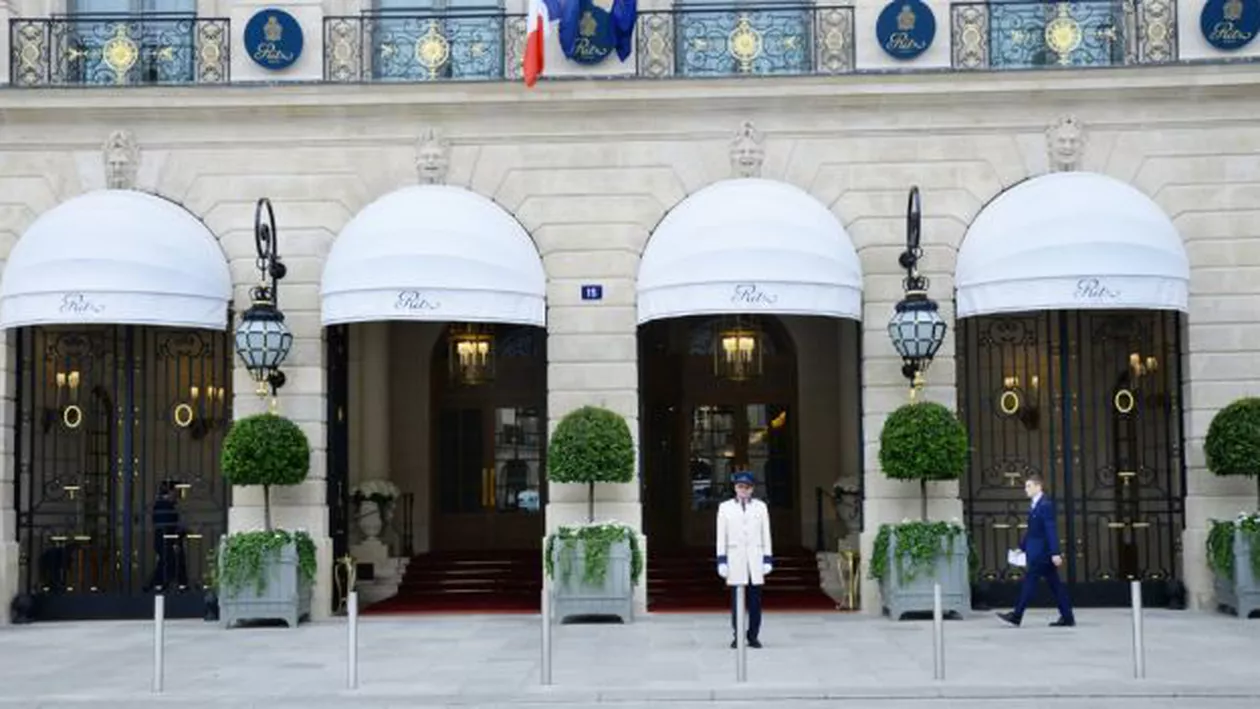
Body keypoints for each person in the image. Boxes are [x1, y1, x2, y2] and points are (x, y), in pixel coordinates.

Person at [998, 473, 1075, 627]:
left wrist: (1055, 552)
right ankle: (1067, 616)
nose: (1026, 489)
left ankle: (1017, 615)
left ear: (1038, 487)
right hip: (1040, 553)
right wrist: (1021, 548)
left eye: (1029, 486)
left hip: (1042, 554)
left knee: (1030, 582)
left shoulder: (1045, 505)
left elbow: (1050, 530)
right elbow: (1032, 531)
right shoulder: (1036, 505)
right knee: (1055, 585)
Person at [716, 470, 773, 648]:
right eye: (740, 486)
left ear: (752, 489)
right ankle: (737, 635)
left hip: (755, 558)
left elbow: (766, 534)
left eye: (747, 487)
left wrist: (767, 559)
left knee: (755, 602)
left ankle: (753, 635)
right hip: (735, 558)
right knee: (736, 601)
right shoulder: (725, 507)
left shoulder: (760, 506)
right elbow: (721, 536)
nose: (743, 490)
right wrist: (722, 560)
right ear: (735, 488)